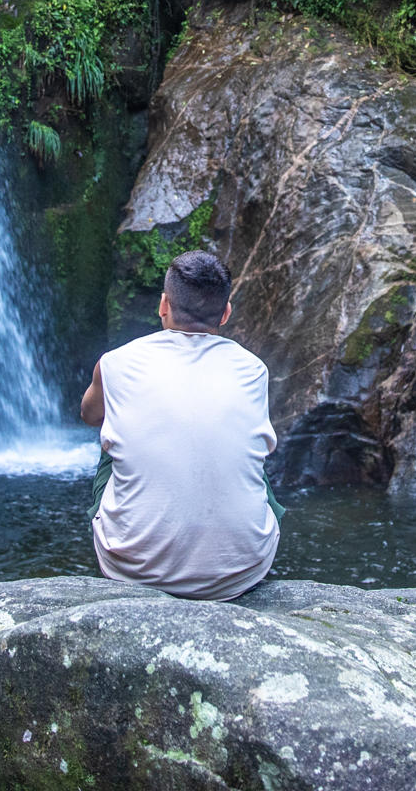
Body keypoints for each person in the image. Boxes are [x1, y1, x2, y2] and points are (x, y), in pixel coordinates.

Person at [79, 250, 281, 599]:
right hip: (242, 572)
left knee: (110, 441)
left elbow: (89, 415)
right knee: (253, 460)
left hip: (131, 570)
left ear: (163, 305)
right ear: (226, 313)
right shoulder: (254, 370)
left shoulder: (115, 363)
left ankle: (133, 539)